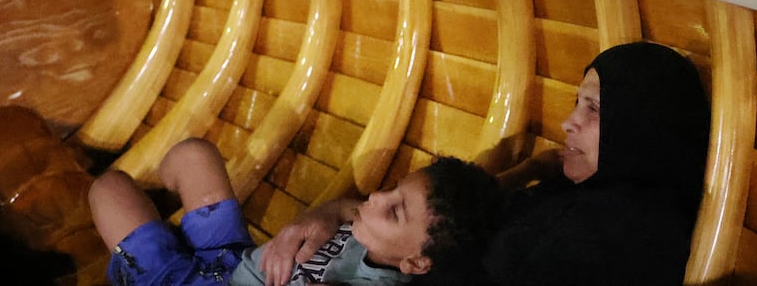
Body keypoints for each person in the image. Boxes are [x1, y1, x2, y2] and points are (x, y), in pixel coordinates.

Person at [87, 137, 500, 286]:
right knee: (192, 154)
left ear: (415, 263)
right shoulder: (379, 233)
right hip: (231, 261)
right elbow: (347, 208)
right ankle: (162, 221)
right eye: (391, 188)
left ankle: (149, 248)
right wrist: (321, 213)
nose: (376, 198)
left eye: (394, 210)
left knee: (107, 187)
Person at [479, 41, 712, 286]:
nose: (568, 123)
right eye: (577, 103)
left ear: (641, 127)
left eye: (594, 108)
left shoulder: (631, 235)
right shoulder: (575, 193)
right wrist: (528, 170)